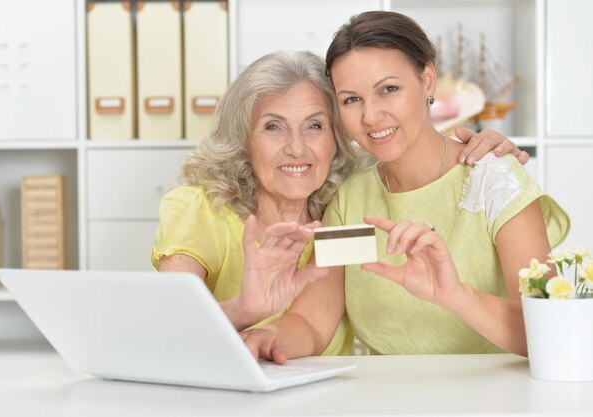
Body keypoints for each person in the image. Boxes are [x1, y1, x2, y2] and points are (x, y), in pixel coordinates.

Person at [151, 49, 527, 356]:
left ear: (336, 137)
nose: (296, 148)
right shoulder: (201, 208)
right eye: (273, 126)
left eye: (315, 125)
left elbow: (313, 319)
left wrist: (490, 154)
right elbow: (163, 331)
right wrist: (248, 315)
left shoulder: (344, 204)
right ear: (242, 138)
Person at [241, 12, 569, 362]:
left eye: (389, 89)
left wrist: (456, 295)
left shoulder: (494, 179)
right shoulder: (351, 198)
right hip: (384, 396)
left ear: (428, 80)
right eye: (351, 99)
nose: (370, 116)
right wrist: (269, 337)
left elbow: (551, 329)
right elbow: (312, 319)